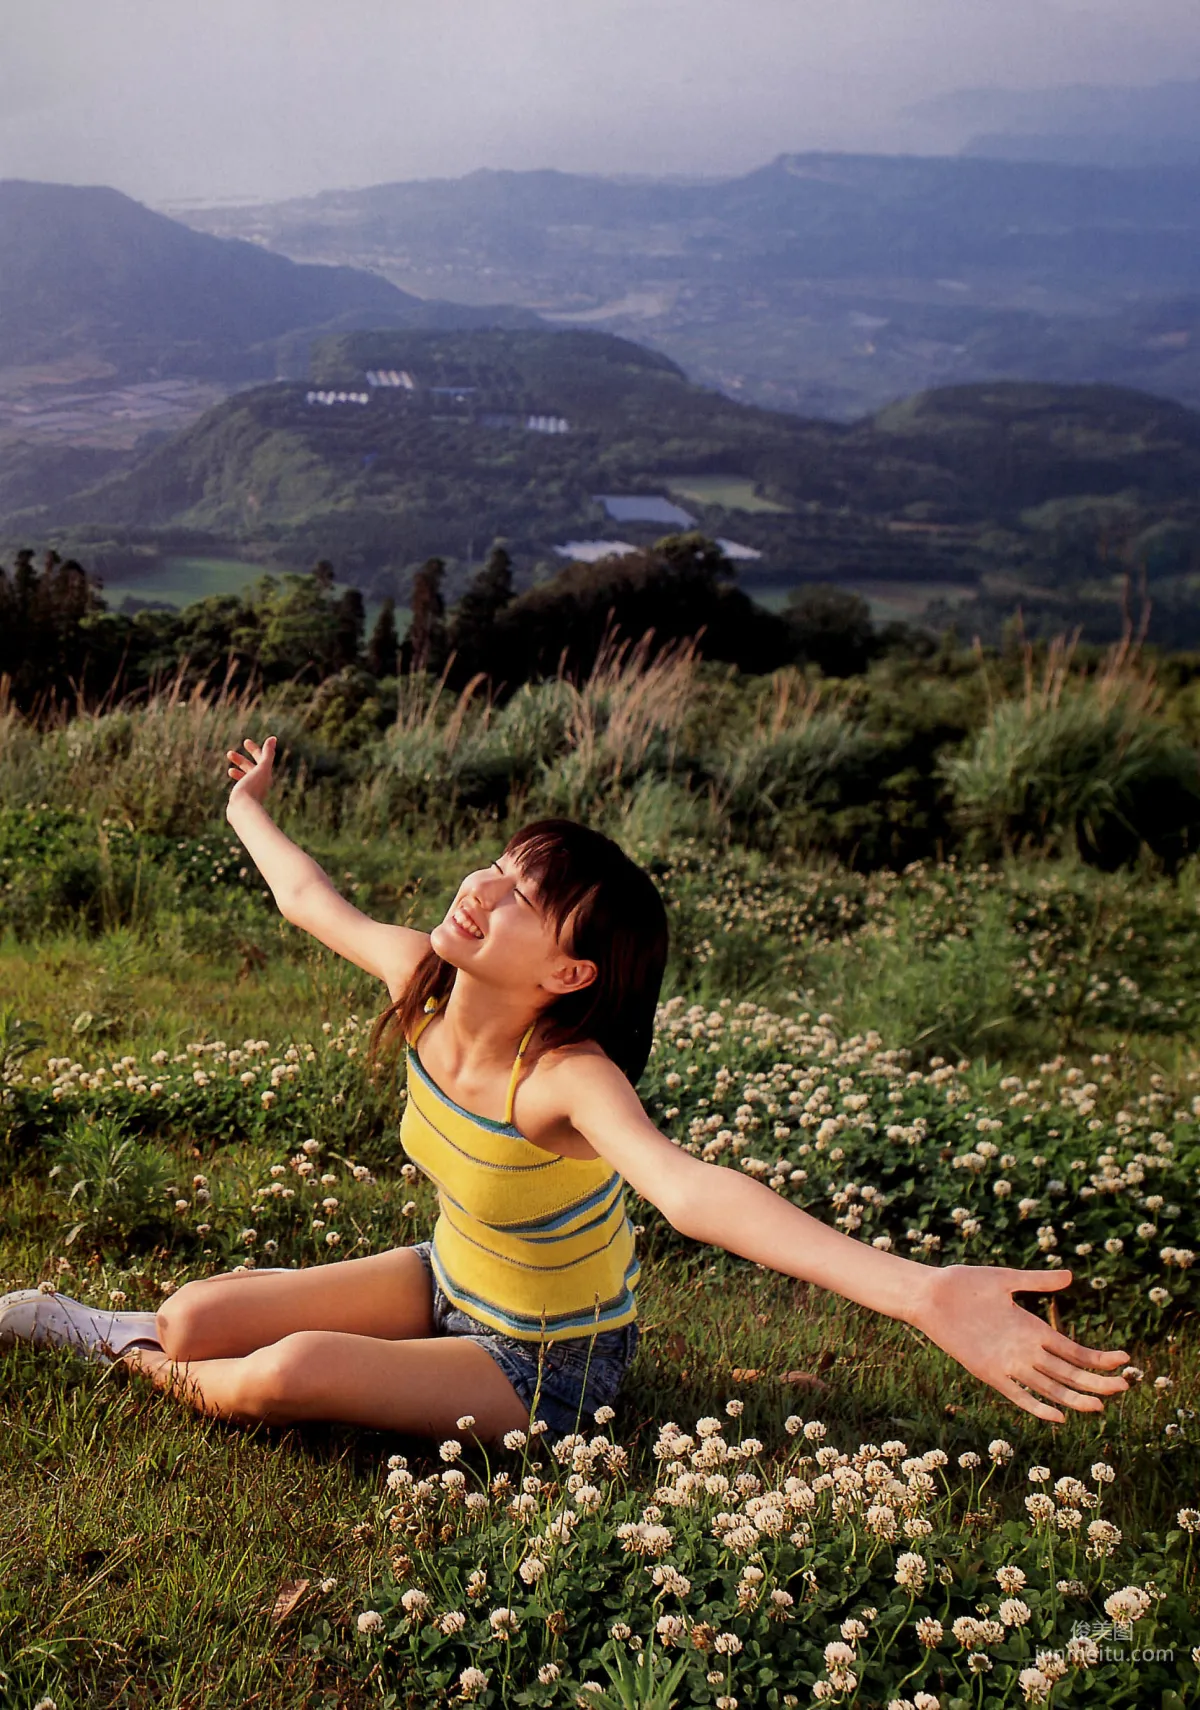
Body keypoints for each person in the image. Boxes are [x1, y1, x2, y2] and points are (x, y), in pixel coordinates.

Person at [4, 735, 1131, 1447]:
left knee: (276, 1376)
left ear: (568, 974)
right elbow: (309, 898)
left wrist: (922, 1292)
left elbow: (697, 1196)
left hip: (544, 1359)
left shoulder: (568, 1081)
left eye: (518, 895)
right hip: (446, 1277)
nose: (479, 887)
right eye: (495, 863)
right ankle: (162, 1337)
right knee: (203, 1310)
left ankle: (125, 1355)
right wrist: (248, 801)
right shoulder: (423, 978)